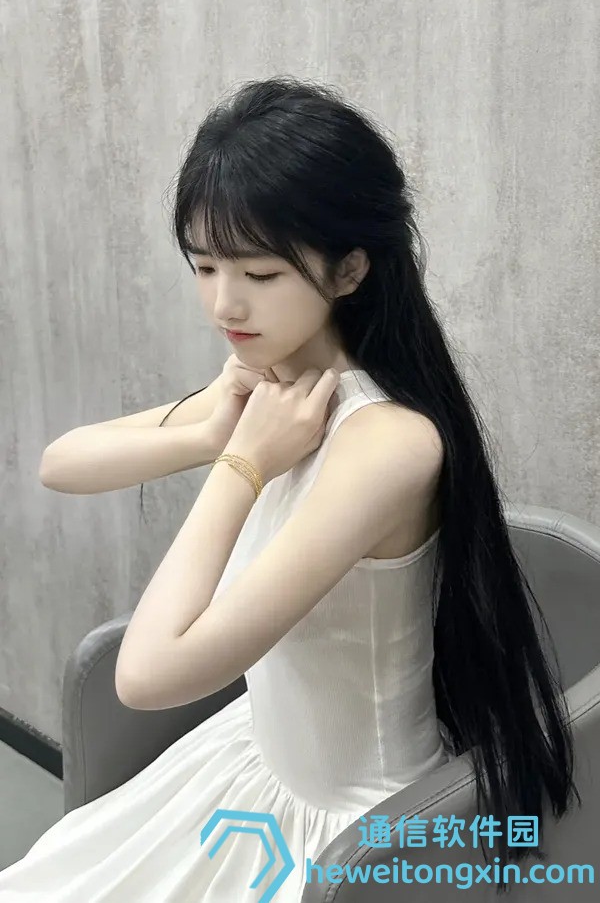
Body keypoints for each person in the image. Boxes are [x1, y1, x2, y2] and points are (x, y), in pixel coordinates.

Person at [0, 76, 580, 900]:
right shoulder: (270, 389)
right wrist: (210, 431)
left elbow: (147, 676)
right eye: (204, 265)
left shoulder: (387, 442)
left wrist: (242, 462)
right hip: (254, 765)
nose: (223, 302)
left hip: (348, 834)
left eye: (261, 273)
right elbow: (61, 463)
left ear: (349, 269)